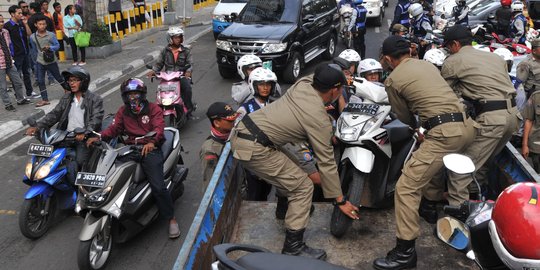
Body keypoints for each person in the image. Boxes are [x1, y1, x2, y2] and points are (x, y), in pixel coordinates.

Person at [230, 63, 359, 260]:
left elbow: (318, 73)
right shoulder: (318, 118)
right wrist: (339, 199)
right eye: (340, 88)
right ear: (334, 89)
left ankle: (283, 210)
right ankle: (293, 246)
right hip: (255, 147)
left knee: (293, 168)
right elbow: (326, 162)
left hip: (251, 131)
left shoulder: (303, 84)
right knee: (303, 187)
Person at [372, 35, 476, 270]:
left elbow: (405, 119)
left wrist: (419, 128)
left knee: (406, 187)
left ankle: (404, 253)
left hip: (444, 133)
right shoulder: (427, 65)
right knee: (429, 161)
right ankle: (429, 208)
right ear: (409, 52)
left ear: (388, 59)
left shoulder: (394, 79)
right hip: (467, 127)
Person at [86, 78, 181, 239]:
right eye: (130, 94)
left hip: (150, 150)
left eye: (136, 93)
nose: (133, 97)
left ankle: (171, 219)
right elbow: (114, 129)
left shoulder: (153, 109)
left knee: (158, 186)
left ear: (142, 94)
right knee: (112, 175)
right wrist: (99, 137)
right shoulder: (123, 111)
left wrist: (151, 142)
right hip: (130, 149)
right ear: (125, 96)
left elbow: (159, 128)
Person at [441, 25, 519, 205]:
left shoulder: (453, 61)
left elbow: (443, 95)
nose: (448, 51)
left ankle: (458, 218)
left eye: (448, 47)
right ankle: (476, 199)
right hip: (513, 116)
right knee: (482, 162)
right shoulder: (494, 56)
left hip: (491, 118)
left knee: (459, 170)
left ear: (455, 44)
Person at [25, 66, 104, 187]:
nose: (71, 83)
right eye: (70, 80)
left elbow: (96, 120)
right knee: (51, 159)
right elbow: (54, 114)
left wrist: (85, 133)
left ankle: (81, 190)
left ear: (83, 81)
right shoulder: (67, 98)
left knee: (79, 162)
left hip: (83, 138)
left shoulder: (95, 99)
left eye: (75, 80)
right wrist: (38, 126)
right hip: (64, 136)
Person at [148, 26, 194, 114]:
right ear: (170, 39)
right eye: (176, 37)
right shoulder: (165, 51)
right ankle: (159, 110)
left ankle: (189, 108)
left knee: (187, 88)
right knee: (160, 91)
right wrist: (154, 71)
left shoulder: (186, 51)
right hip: (168, 77)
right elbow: (159, 64)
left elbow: (190, 64)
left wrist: (188, 71)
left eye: (180, 37)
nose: (178, 39)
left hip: (181, 75)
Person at [30, 15, 70, 107]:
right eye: (40, 24)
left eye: (44, 24)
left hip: (51, 61)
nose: (42, 26)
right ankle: (45, 99)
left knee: (58, 78)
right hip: (40, 62)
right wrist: (35, 60)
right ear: (36, 25)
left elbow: (57, 46)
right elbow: (34, 50)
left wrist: (50, 47)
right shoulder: (32, 37)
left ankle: (68, 90)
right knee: (40, 81)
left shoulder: (51, 35)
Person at [200, 102, 238, 192]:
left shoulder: (233, 134)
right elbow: (210, 183)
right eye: (230, 120)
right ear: (217, 123)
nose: (234, 122)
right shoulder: (209, 150)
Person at [3, 5, 38, 99]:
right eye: (19, 13)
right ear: (12, 14)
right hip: (16, 55)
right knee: (16, 76)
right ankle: (19, 95)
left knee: (27, 73)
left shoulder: (22, 23)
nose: (21, 15)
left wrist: (26, 24)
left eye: (21, 13)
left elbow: (30, 35)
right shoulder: (7, 26)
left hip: (25, 52)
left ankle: (29, 92)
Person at [0, 15, 31, 111]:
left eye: (2, 21)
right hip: (0, 65)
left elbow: (10, 45)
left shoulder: (5, 32)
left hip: (9, 61)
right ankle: (7, 104)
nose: (1, 24)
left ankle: (20, 99)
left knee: (17, 82)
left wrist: (11, 55)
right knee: (3, 86)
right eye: (0, 22)